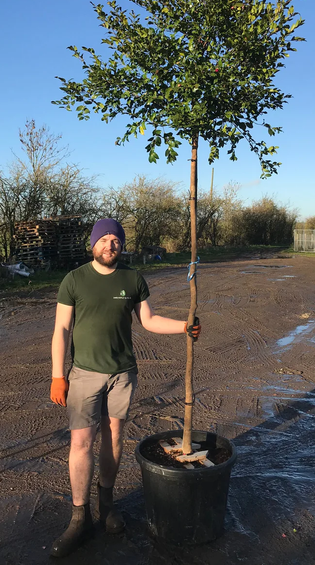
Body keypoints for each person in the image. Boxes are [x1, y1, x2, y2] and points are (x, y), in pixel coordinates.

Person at [49, 218, 201, 558]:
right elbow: (61, 329)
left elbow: (148, 321)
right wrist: (58, 375)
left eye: (115, 239)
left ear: (122, 245)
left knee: (114, 437)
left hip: (122, 375)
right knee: (81, 442)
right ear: (93, 244)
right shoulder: (74, 280)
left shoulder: (132, 279)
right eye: (103, 239)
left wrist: (184, 326)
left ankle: (106, 503)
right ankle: (79, 516)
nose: (110, 245)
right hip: (84, 375)